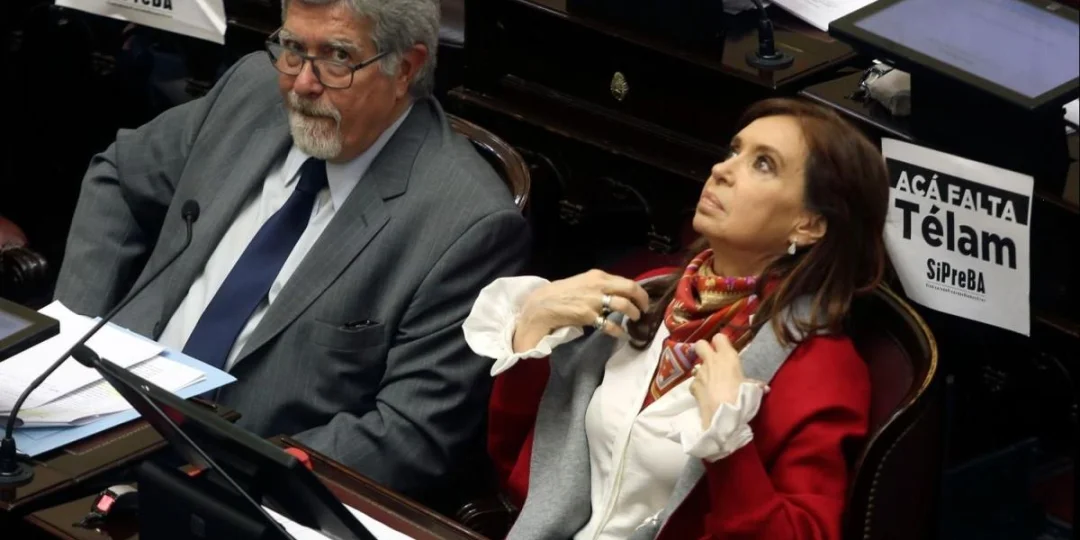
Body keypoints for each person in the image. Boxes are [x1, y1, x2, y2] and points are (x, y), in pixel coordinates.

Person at [54, 0, 529, 502]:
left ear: (406, 68)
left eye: (338, 58)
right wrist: (72, 342)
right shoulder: (252, 90)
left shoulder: (466, 224)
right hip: (90, 416)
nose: (302, 83)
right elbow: (120, 177)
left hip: (231, 491)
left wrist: (227, 474)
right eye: (293, 48)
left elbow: (409, 436)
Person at [463, 98, 889, 539]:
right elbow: (518, 470)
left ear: (809, 224)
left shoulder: (821, 368)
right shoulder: (646, 291)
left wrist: (729, 447)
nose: (722, 170)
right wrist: (534, 327)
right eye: (734, 150)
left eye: (763, 164)